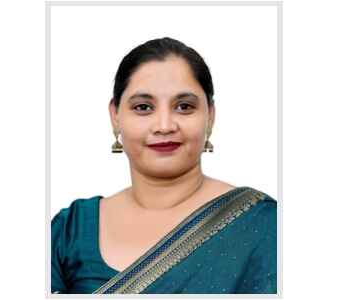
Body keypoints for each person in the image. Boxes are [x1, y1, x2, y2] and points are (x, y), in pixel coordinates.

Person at [51, 37, 277, 294]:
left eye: (184, 106)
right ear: (115, 116)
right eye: (143, 107)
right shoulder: (71, 230)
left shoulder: (263, 225)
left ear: (210, 116)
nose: (164, 125)